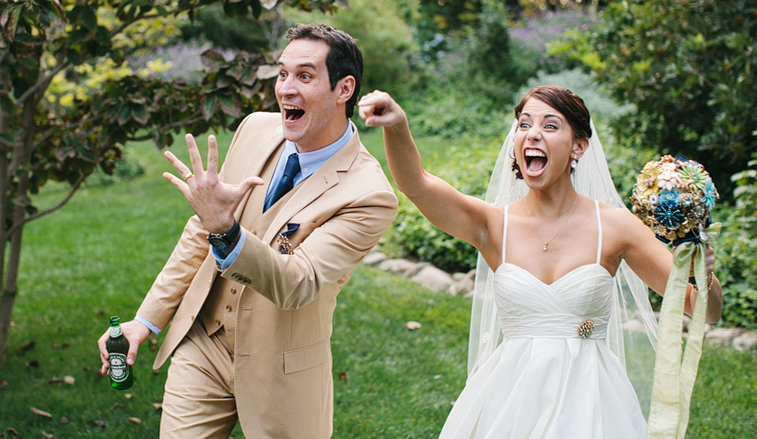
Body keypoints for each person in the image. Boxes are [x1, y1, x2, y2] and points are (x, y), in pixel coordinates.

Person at [357, 86, 723, 438]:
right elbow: (416, 184)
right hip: (509, 395)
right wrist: (397, 125)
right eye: (524, 124)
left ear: (579, 146)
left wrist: (701, 273)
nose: (532, 134)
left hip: (590, 399)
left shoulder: (614, 226)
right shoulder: (492, 225)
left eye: (550, 125)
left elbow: (704, 310)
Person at [97, 24, 397, 438]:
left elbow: (299, 283)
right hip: (204, 342)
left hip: (282, 370)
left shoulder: (368, 193)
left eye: (305, 76)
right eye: (283, 74)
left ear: (344, 89)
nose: (286, 89)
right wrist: (145, 322)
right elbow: (198, 233)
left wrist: (225, 229)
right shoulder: (256, 128)